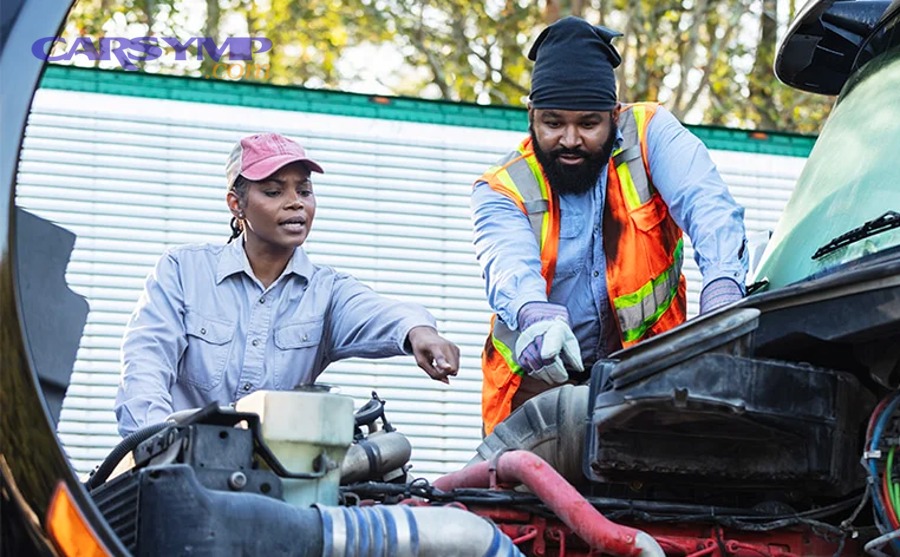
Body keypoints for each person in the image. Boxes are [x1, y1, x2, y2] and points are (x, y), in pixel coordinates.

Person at [471, 16, 749, 435]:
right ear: (531, 116)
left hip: (647, 378)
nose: (570, 139)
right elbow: (507, 266)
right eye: (553, 123)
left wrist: (723, 286)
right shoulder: (501, 188)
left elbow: (708, 206)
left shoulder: (651, 134)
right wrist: (533, 314)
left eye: (588, 124)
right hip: (537, 390)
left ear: (614, 115)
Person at [115, 132, 460, 436]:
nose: (295, 202)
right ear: (237, 205)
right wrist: (156, 448)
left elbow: (378, 312)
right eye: (274, 191)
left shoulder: (327, 292)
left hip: (278, 479)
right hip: (179, 471)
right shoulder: (182, 271)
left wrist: (420, 332)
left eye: (304, 190)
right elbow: (145, 367)